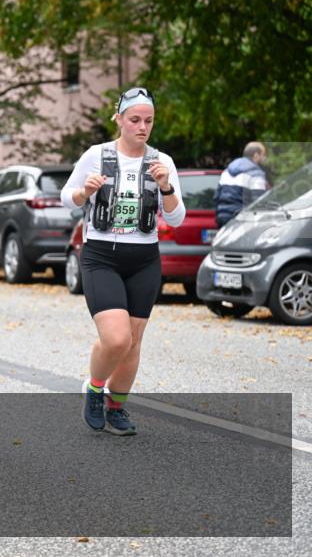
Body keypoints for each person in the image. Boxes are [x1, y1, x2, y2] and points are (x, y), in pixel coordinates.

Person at [60, 87, 185, 436]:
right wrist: (84, 192)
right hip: (101, 255)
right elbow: (65, 199)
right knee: (116, 339)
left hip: (144, 258)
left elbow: (175, 220)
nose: (142, 127)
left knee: (133, 341)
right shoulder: (96, 155)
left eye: (148, 120)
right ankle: (95, 389)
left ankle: (117, 407)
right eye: (134, 120)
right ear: (119, 119)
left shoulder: (162, 162)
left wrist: (165, 187)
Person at [214, 141, 269, 227]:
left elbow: (217, 197)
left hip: (222, 218)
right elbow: (258, 202)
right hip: (242, 222)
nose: (264, 158)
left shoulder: (226, 171)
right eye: (263, 155)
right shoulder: (255, 174)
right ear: (256, 155)